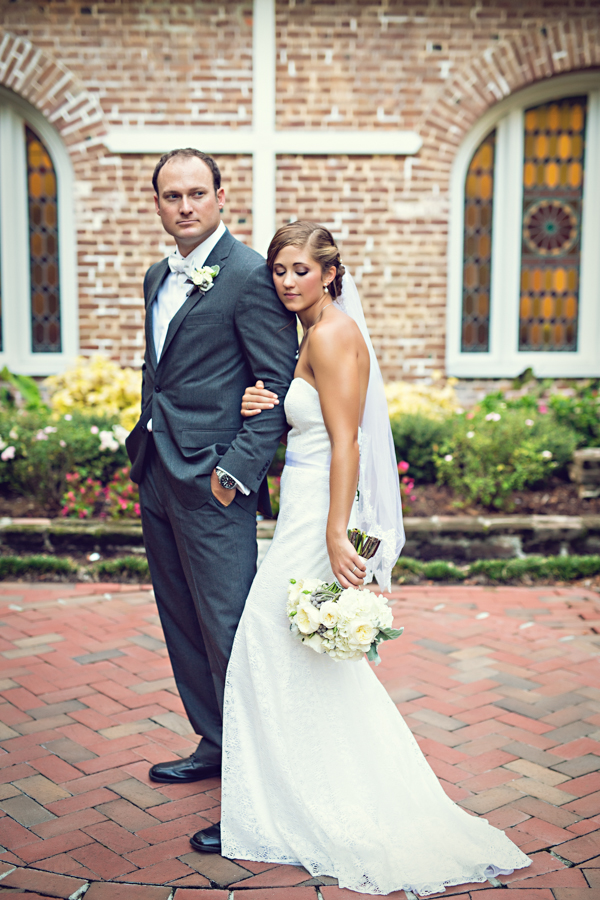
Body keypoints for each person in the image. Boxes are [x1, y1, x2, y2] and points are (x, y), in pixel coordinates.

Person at [190, 221, 531, 895]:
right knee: (295, 652)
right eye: (280, 271)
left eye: (300, 271)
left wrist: (336, 534)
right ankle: (293, 793)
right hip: (305, 507)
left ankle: (317, 797)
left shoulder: (335, 333)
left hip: (321, 511)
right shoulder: (308, 335)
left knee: (269, 637)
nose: (288, 281)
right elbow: (306, 412)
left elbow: (347, 443)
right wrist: (264, 400)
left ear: (330, 274)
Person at [125, 149, 297, 786]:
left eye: (198, 193)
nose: (186, 206)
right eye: (173, 196)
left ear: (222, 196)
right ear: (158, 205)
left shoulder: (252, 275)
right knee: (183, 624)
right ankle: (217, 741)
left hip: (213, 484)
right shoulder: (155, 275)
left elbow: (276, 386)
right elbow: (163, 373)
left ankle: (255, 783)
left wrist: (234, 475)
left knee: (228, 629)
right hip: (158, 472)